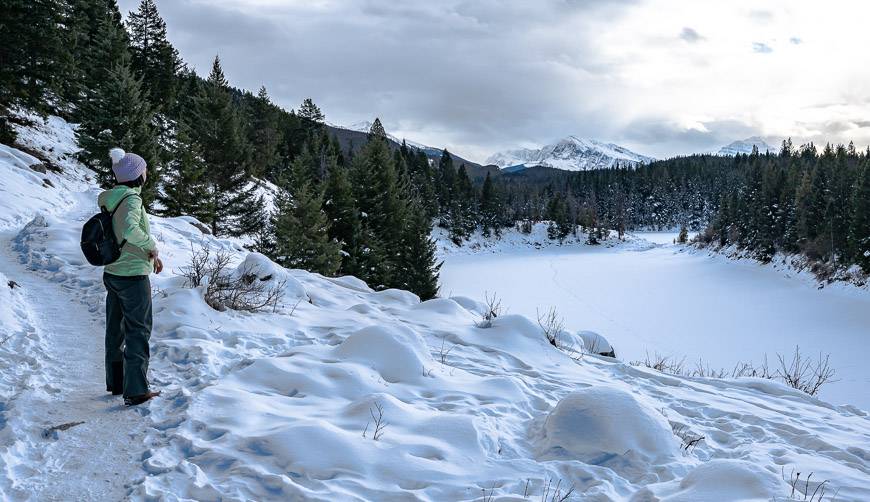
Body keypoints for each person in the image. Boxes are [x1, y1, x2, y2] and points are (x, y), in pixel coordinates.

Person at [97, 147, 162, 406]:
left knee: (116, 329)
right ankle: (135, 389)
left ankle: (116, 382)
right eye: (144, 169)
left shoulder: (111, 198)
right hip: (132, 274)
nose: (147, 172)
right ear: (138, 175)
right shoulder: (132, 200)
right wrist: (151, 245)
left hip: (113, 270)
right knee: (138, 330)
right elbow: (129, 229)